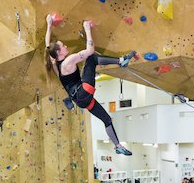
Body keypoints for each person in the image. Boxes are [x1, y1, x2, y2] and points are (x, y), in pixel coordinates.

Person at [45, 15, 134, 156]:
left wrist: (49, 25)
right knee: (91, 59)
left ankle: (117, 146)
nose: (66, 46)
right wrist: (87, 29)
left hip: (81, 100)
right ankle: (121, 60)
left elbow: (47, 45)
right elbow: (90, 51)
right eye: (63, 46)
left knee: (107, 119)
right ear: (59, 52)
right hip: (83, 92)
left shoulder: (55, 65)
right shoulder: (68, 61)